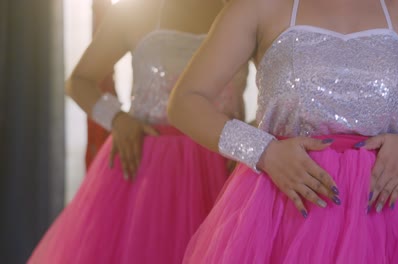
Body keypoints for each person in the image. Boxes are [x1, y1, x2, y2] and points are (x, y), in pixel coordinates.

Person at [168, 0, 398, 262]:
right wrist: (264, 152)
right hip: (287, 209)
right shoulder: (258, 7)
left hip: (397, 212)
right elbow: (185, 102)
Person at [28, 0, 247, 263]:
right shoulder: (134, 11)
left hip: (224, 167)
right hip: (148, 170)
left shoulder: (244, 10)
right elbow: (79, 81)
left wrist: (256, 132)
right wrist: (117, 119)